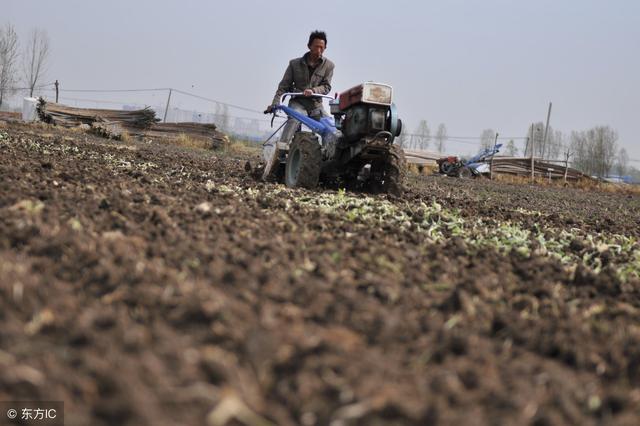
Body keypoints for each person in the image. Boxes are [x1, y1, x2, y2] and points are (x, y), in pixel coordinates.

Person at [262, 30, 334, 179]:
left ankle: (329, 158)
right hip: (298, 102)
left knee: (331, 128)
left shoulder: (329, 66)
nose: (319, 50)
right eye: (316, 47)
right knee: (296, 118)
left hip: (316, 104)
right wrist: (275, 104)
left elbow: (326, 87)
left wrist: (313, 90)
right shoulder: (294, 64)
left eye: (322, 48)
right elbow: (283, 87)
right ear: (309, 46)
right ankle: (281, 151)